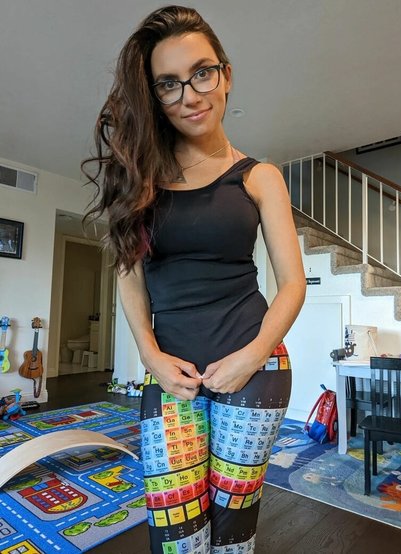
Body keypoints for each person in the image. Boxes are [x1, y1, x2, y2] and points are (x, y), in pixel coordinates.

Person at [82, 5, 306, 553]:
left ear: (225, 74)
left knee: (232, 528)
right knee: (176, 532)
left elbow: (292, 284)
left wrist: (252, 356)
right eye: (169, 84)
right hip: (170, 374)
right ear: (155, 96)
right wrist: (150, 356)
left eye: (202, 72)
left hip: (254, 368)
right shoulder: (139, 180)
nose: (190, 94)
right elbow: (130, 277)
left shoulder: (259, 177)